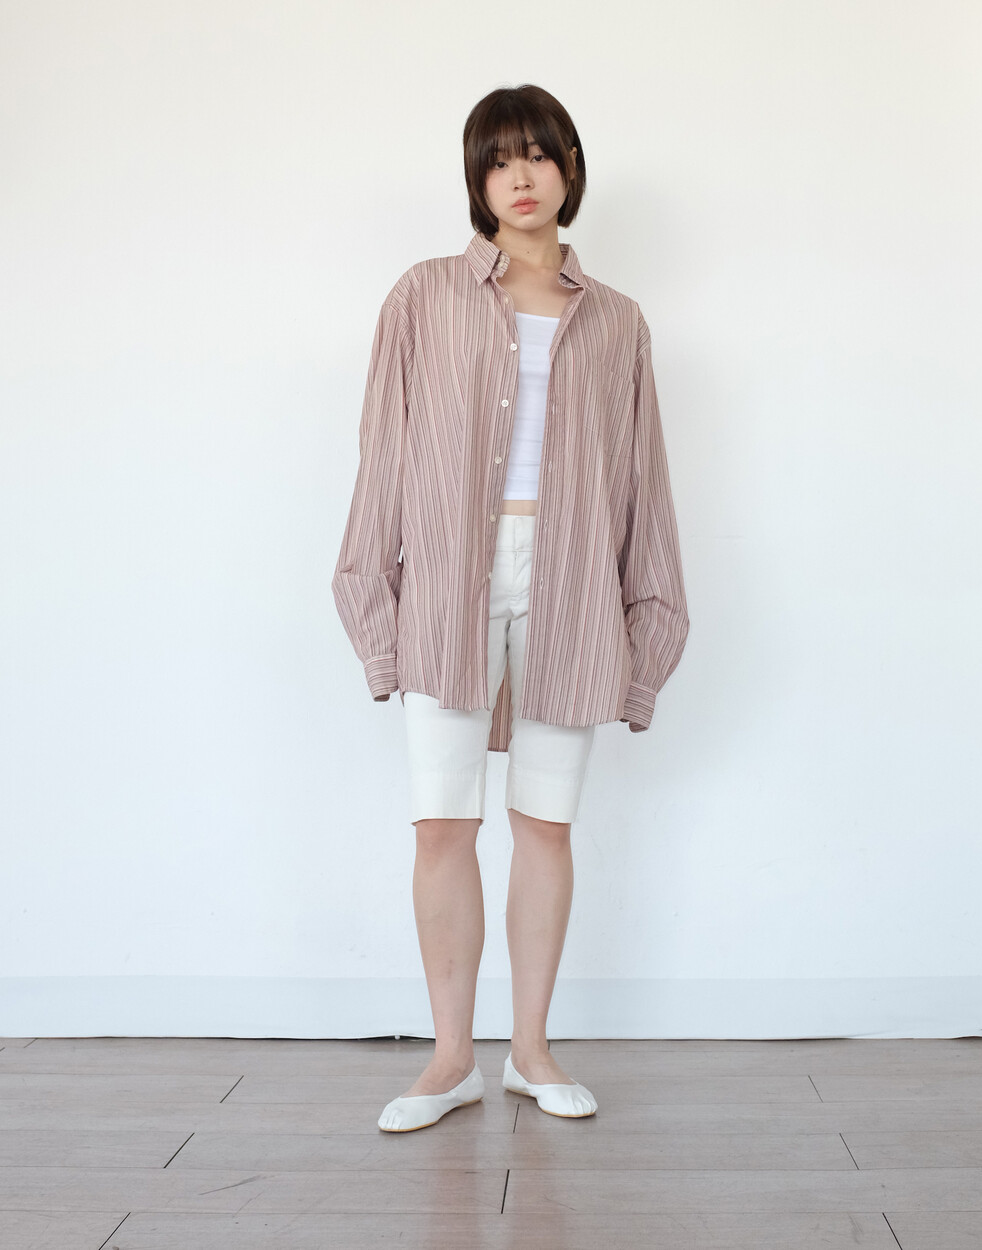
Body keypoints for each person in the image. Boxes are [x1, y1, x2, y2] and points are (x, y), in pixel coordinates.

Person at [332, 83, 689, 1132]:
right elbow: (382, 457)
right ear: (476, 180)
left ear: (570, 167)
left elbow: (643, 484)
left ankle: (530, 1051)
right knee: (442, 824)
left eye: (537, 155)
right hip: (450, 574)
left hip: (571, 577)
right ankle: (451, 1059)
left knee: (545, 823)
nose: (520, 177)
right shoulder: (424, 296)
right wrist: (374, 603)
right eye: (498, 160)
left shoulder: (617, 320)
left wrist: (646, 632)